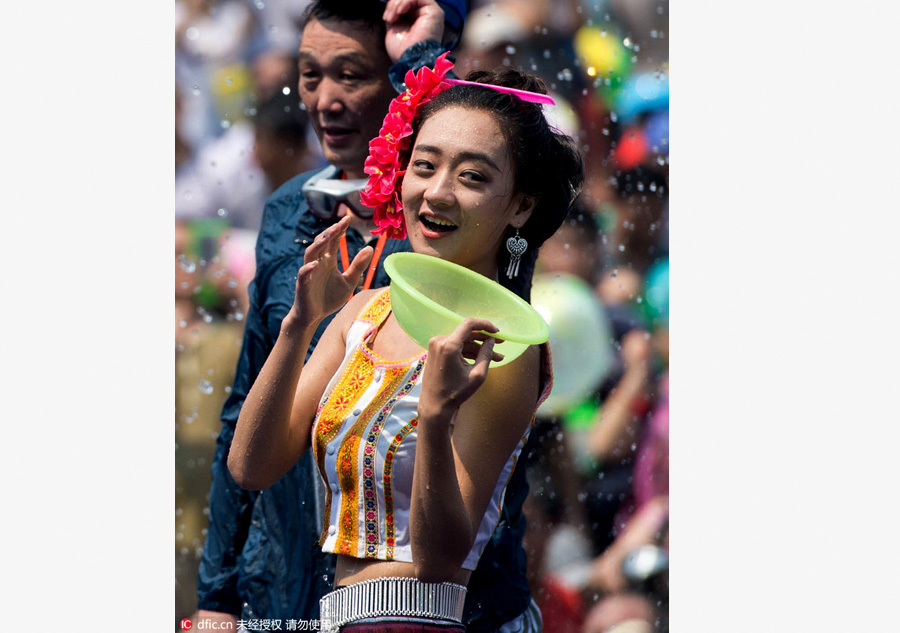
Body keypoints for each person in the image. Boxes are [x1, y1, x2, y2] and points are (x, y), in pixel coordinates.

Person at [194, 2, 550, 631]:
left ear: (519, 206)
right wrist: (299, 324)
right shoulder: (361, 305)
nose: (437, 191)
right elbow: (250, 464)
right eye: (423, 166)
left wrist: (436, 419)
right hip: (327, 617)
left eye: (470, 176)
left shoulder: (505, 342)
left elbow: (440, 562)